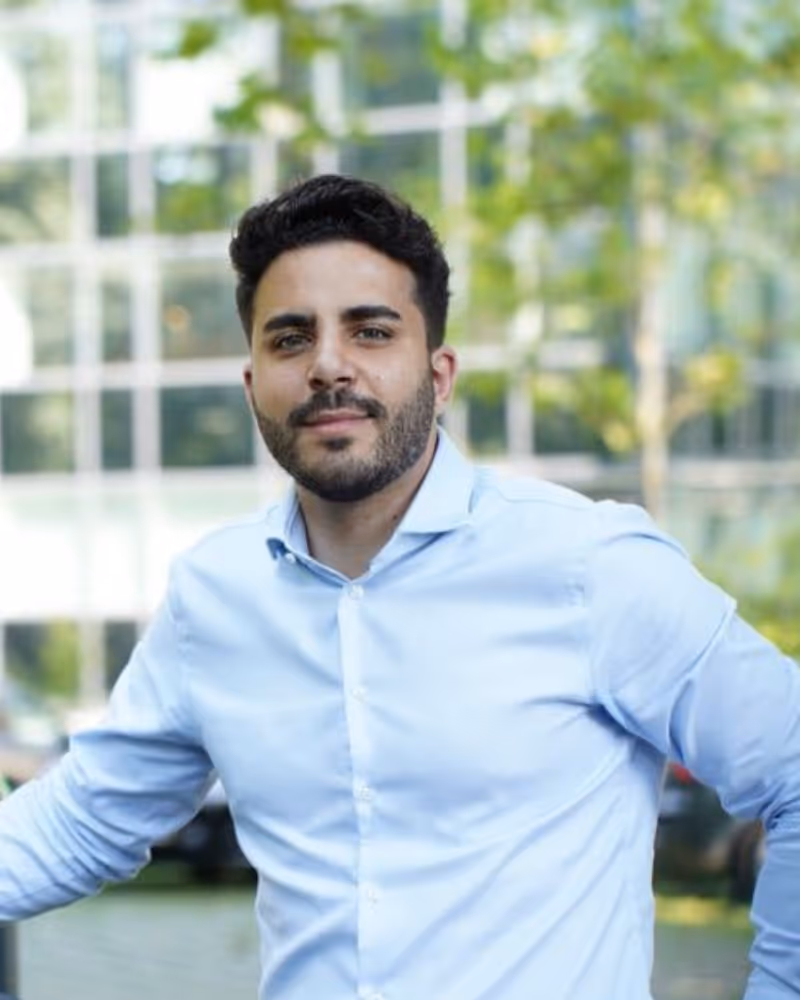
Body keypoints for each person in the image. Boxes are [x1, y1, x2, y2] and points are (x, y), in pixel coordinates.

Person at [0, 173, 797, 1000]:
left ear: (440, 373)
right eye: (289, 339)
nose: (328, 366)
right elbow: (82, 819)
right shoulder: (215, 595)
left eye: (372, 332)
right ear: (252, 385)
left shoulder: (590, 565)